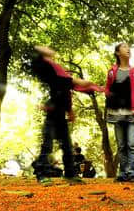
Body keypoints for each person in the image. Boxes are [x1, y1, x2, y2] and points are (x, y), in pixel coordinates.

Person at [28, 45, 103, 185]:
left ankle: (70, 174)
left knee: (67, 146)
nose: (51, 51)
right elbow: (73, 83)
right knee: (47, 145)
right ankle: (41, 174)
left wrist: (71, 111)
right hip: (52, 112)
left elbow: (73, 88)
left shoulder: (61, 74)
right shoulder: (46, 68)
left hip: (60, 114)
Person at [105, 42, 134, 183]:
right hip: (117, 112)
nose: (128, 49)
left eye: (129, 47)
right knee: (121, 145)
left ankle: (133, 173)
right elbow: (107, 89)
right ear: (118, 52)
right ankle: (123, 173)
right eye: (124, 47)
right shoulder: (112, 71)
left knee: (132, 144)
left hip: (133, 112)